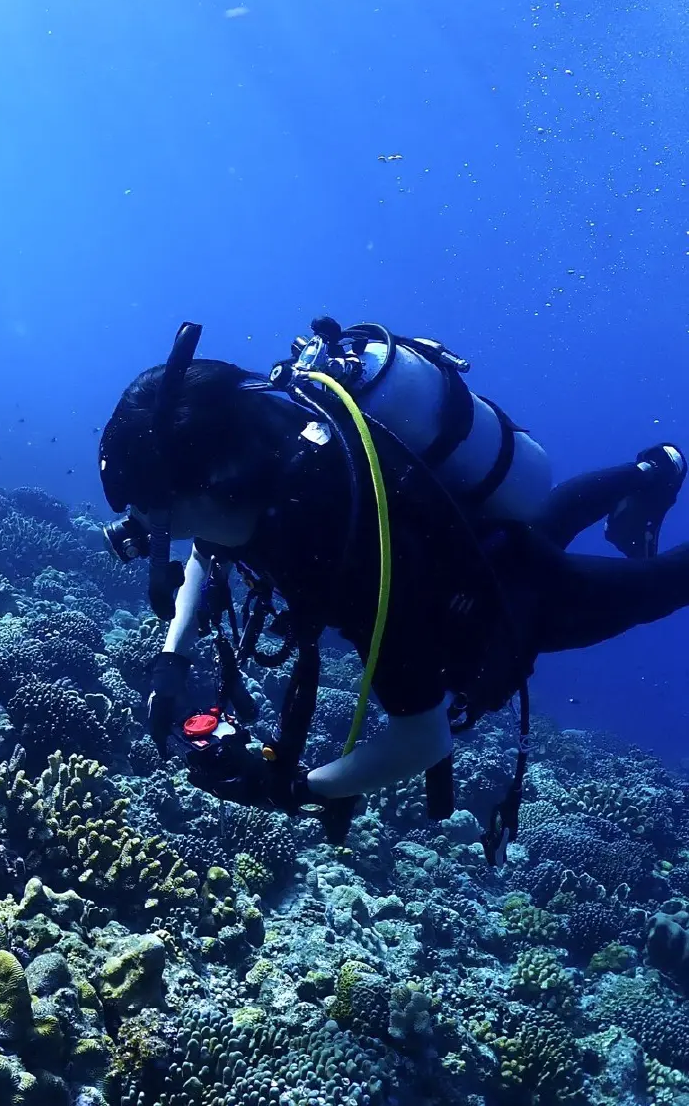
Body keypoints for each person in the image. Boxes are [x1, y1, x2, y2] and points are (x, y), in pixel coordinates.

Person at [98, 318, 688, 854]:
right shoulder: (249, 451)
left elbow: (422, 740)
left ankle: (653, 472)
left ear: (202, 489)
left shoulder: (342, 553)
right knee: (542, 520)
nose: (144, 529)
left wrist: (294, 789)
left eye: (151, 512)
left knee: (655, 586)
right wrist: (171, 658)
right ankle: (653, 469)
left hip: (507, 598)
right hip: (463, 530)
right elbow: (208, 548)